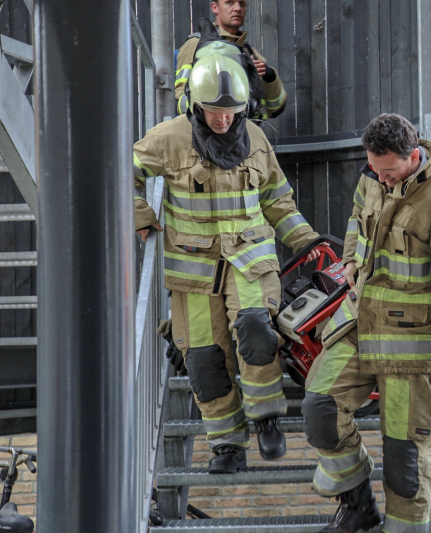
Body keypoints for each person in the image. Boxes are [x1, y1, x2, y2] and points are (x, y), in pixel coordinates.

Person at [134, 53, 320, 473]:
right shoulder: (168, 137)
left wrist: (306, 242)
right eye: (214, 113)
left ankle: (267, 418)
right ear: (196, 106)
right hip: (193, 275)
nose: (223, 121)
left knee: (256, 329)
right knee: (203, 359)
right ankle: (227, 446)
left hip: (250, 263)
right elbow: (124, 172)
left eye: (231, 113)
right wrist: (141, 216)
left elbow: (276, 198)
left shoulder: (255, 137)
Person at [302, 114, 431, 533]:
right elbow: (355, 222)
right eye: (374, 168)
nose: (379, 179)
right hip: (359, 325)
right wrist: (348, 262)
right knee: (320, 407)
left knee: (404, 460)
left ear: (413, 156)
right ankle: (358, 505)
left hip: (412, 347)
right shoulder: (371, 178)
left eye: (388, 170)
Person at [174, 0, 286, 120]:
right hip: (210, 134)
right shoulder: (196, 45)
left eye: (242, 3)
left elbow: (274, 108)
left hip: (247, 133)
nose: (238, 8)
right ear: (215, 7)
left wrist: (270, 76)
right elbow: (180, 101)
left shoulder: (249, 52)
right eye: (230, 2)